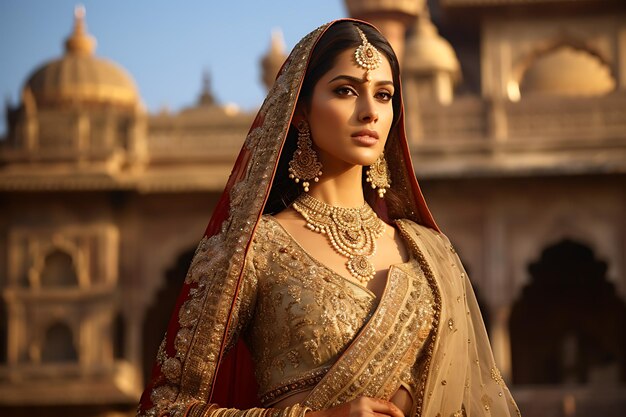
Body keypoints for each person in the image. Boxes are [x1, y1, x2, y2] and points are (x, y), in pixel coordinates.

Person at [137, 19, 521, 417]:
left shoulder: (430, 254)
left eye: (385, 95)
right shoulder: (253, 248)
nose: (370, 112)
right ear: (300, 109)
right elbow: (164, 408)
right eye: (345, 91)